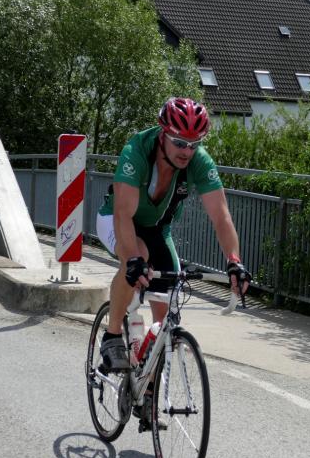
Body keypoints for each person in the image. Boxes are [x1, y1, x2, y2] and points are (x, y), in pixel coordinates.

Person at [95, 97, 251, 429]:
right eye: (179, 142)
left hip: (157, 230)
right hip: (117, 220)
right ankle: (112, 335)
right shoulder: (137, 151)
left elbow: (221, 215)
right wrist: (132, 260)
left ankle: (147, 392)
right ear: (163, 133)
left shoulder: (198, 161)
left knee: (165, 319)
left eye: (194, 144)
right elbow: (123, 214)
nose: (186, 151)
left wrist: (234, 261)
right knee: (138, 256)